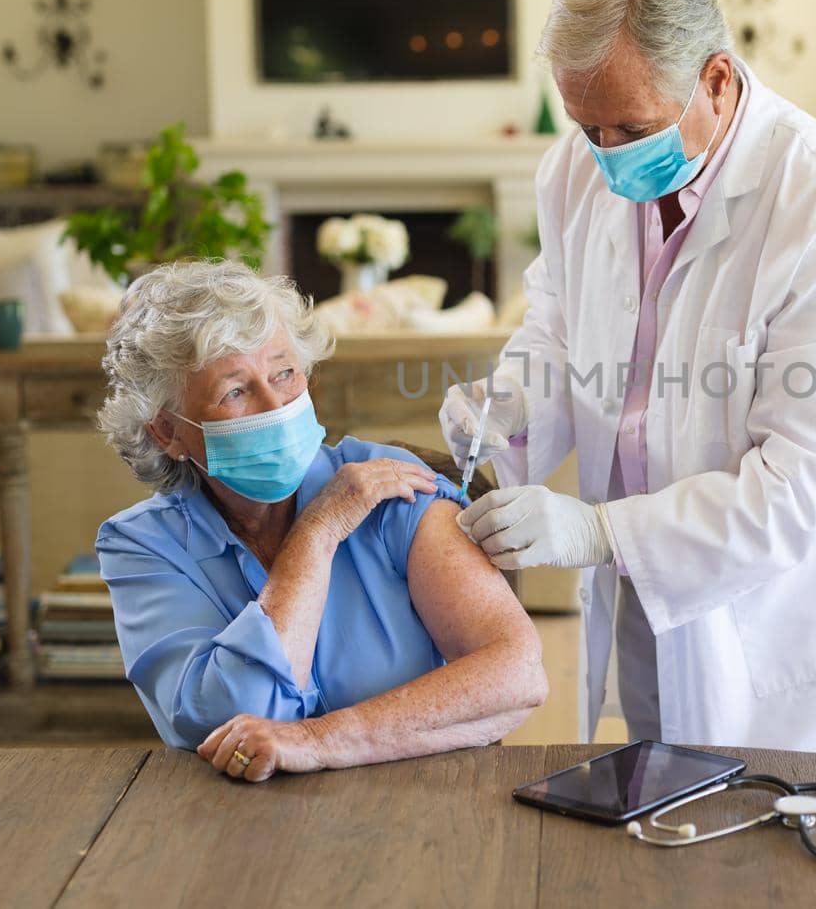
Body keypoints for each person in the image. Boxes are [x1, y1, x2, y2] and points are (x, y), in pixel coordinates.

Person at [441, 0, 816, 763]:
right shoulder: (573, 172)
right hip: (647, 603)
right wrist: (509, 406)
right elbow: (556, 328)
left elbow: (801, 487)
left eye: (633, 126)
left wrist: (597, 534)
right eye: (590, 126)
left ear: (718, 79)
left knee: (776, 864)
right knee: (655, 826)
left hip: (774, 629)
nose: (609, 155)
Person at [96, 260, 546, 782]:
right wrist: (318, 531)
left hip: (422, 806)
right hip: (233, 829)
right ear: (168, 432)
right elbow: (228, 720)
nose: (276, 406)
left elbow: (517, 671)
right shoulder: (142, 546)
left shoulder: (390, 488)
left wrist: (319, 740)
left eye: (284, 373)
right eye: (235, 392)